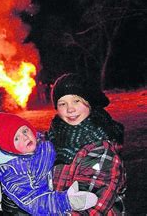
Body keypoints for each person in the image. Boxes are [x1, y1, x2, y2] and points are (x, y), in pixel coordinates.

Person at [0, 112, 98, 215]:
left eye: (25, 131)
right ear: (9, 147)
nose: (25, 137)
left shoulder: (41, 144)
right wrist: (66, 201)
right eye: (16, 138)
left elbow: (56, 154)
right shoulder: (12, 170)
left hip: (53, 189)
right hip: (30, 208)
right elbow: (33, 200)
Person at [47, 73, 126, 215]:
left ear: (89, 102)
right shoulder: (52, 140)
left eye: (76, 101)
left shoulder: (102, 149)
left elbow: (91, 206)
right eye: (62, 103)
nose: (70, 109)